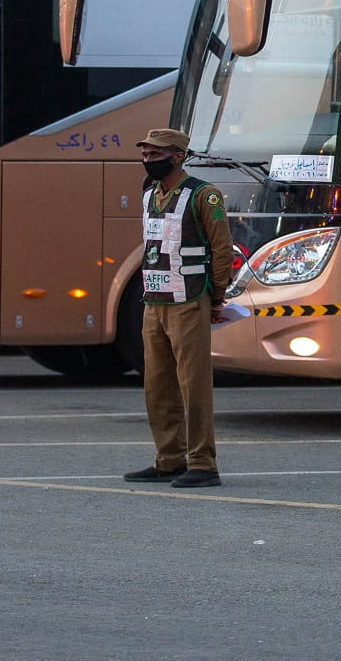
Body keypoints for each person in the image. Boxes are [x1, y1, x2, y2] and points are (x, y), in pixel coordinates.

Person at [123, 127, 234, 489]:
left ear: (178, 156)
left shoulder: (205, 195)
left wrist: (216, 296)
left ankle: (203, 462)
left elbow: (222, 250)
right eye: (145, 154)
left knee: (194, 384)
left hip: (189, 298)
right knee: (157, 385)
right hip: (154, 301)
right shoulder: (149, 192)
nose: (148, 160)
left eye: (156, 155)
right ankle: (169, 458)